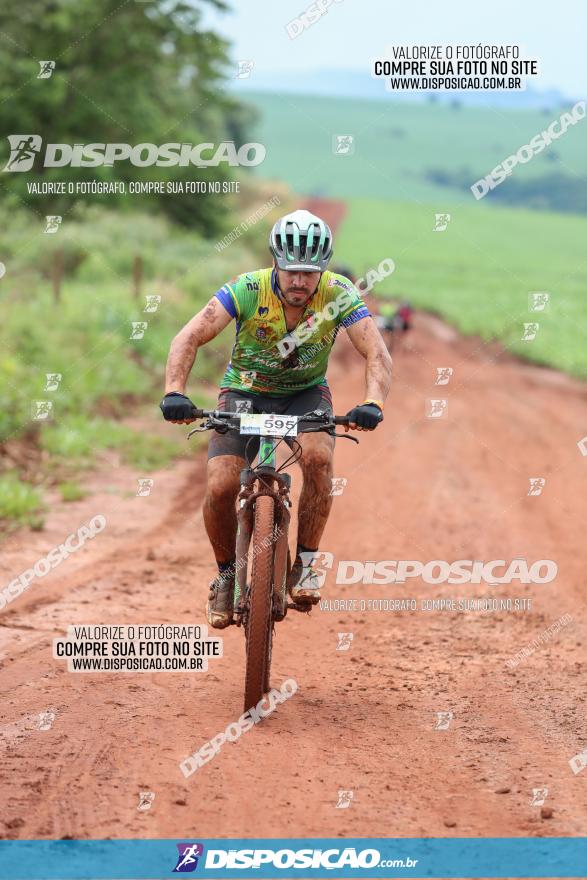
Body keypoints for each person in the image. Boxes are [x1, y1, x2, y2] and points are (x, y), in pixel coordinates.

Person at [160, 209, 392, 628]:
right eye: (291, 272)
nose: (300, 282)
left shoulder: (339, 293)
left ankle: (304, 563)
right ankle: (227, 577)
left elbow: (376, 351)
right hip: (244, 392)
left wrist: (373, 401)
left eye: (309, 272)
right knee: (221, 484)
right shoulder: (245, 289)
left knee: (319, 462)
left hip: (304, 394)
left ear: (322, 269)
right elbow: (189, 335)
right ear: (275, 263)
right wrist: (174, 391)